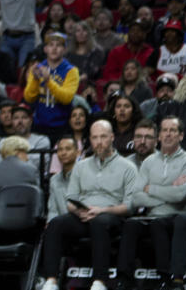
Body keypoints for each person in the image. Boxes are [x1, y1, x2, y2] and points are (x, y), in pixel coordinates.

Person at [39, 120, 137, 290]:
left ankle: (99, 281)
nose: (99, 142)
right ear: (89, 140)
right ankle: (51, 280)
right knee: (55, 224)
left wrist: (102, 210)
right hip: (83, 216)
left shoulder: (128, 167)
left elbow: (130, 206)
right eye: (94, 137)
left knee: (100, 222)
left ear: (112, 137)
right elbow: (71, 200)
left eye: (103, 137)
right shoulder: (80, 166)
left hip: (112, 217)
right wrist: (79, 212)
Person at [117, 117, 186, 290]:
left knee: (173, 222)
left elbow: (181, 195)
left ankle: (175, 279)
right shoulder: (149, 162)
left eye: (172, 130)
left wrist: (151, 189)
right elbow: (136, 197)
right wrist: (168, 191)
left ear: (181, 136)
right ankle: (124, 279)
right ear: (159, 136)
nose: (167, 134)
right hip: (155, 216)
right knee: (131, 224)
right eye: (164, 130)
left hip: (182, 215)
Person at [24, 31, 80, 142]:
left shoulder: (71, 70)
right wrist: (35, 80)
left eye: (58, 45)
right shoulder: (36, 68)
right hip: (39, 124)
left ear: (64, 50)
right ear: (45, 49)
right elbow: (28, 98)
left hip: (62, 125)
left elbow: (66, 98)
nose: (54, 49)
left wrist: (48, 81)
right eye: (51, 45)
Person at [47, 135, 79, 221]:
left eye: (68, 149)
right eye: (60, 149)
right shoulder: (54, 179)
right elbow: (53, 210)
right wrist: (49, 224)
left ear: (77, 152)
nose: (63, 153)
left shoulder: (83, 176)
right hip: (59, 225)